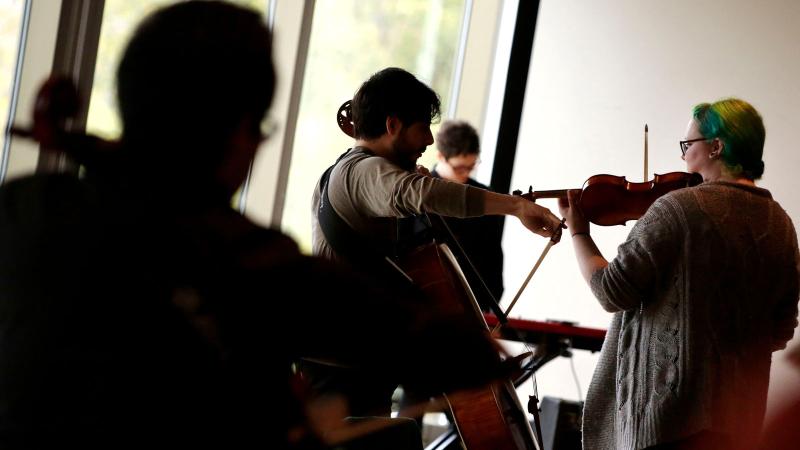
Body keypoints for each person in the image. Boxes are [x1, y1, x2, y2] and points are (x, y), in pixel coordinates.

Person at [0, 3, 509, 449]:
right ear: (239, 132)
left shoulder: (22, 207)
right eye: (260, 130)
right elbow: (447, 352)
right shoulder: (241, 260)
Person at [308, 67, 562, 425]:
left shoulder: (340, 172)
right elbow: (422, 194)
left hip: (350, 357)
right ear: (393, 124)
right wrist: (517, 206)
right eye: (421, 127)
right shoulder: (363, 173)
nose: (428, 140)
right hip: (343, 366)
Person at [558, 98, 799, 450]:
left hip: (665, 424)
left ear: (716, 147)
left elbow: (610, 291)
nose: (683, 156)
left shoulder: (678, 208)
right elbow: (780, 331)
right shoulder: (781, 225)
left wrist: (579, 232)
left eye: (689, 145)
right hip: (741, 426)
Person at [432, 119, 505, 307]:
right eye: (459, 168)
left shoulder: (485, 197)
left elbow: (493, 259)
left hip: (474, 301)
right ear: (440, 156)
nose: (465, 174)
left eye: (471, 166)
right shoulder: (418, 192)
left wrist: (491, 304)